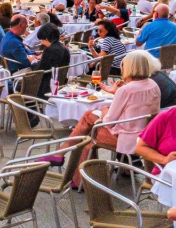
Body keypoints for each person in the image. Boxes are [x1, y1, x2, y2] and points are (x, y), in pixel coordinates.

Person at [63, 50, 161, 186]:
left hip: (127, 139)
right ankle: (80, 173)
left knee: (87, 137)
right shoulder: (153, 85)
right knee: (89, 118)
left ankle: (78, 177)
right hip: (147, 136)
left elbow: (109, 122)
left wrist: (104, 110)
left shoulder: (126, 90)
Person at [30, 24, 72, 99]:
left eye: (42, 40)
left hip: (46, 87)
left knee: (21, 85)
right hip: (60, 84)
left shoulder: (49, 50)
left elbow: (38, 71)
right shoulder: (65, 49)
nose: (41, 43)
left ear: (46, 39)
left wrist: (33, 61)